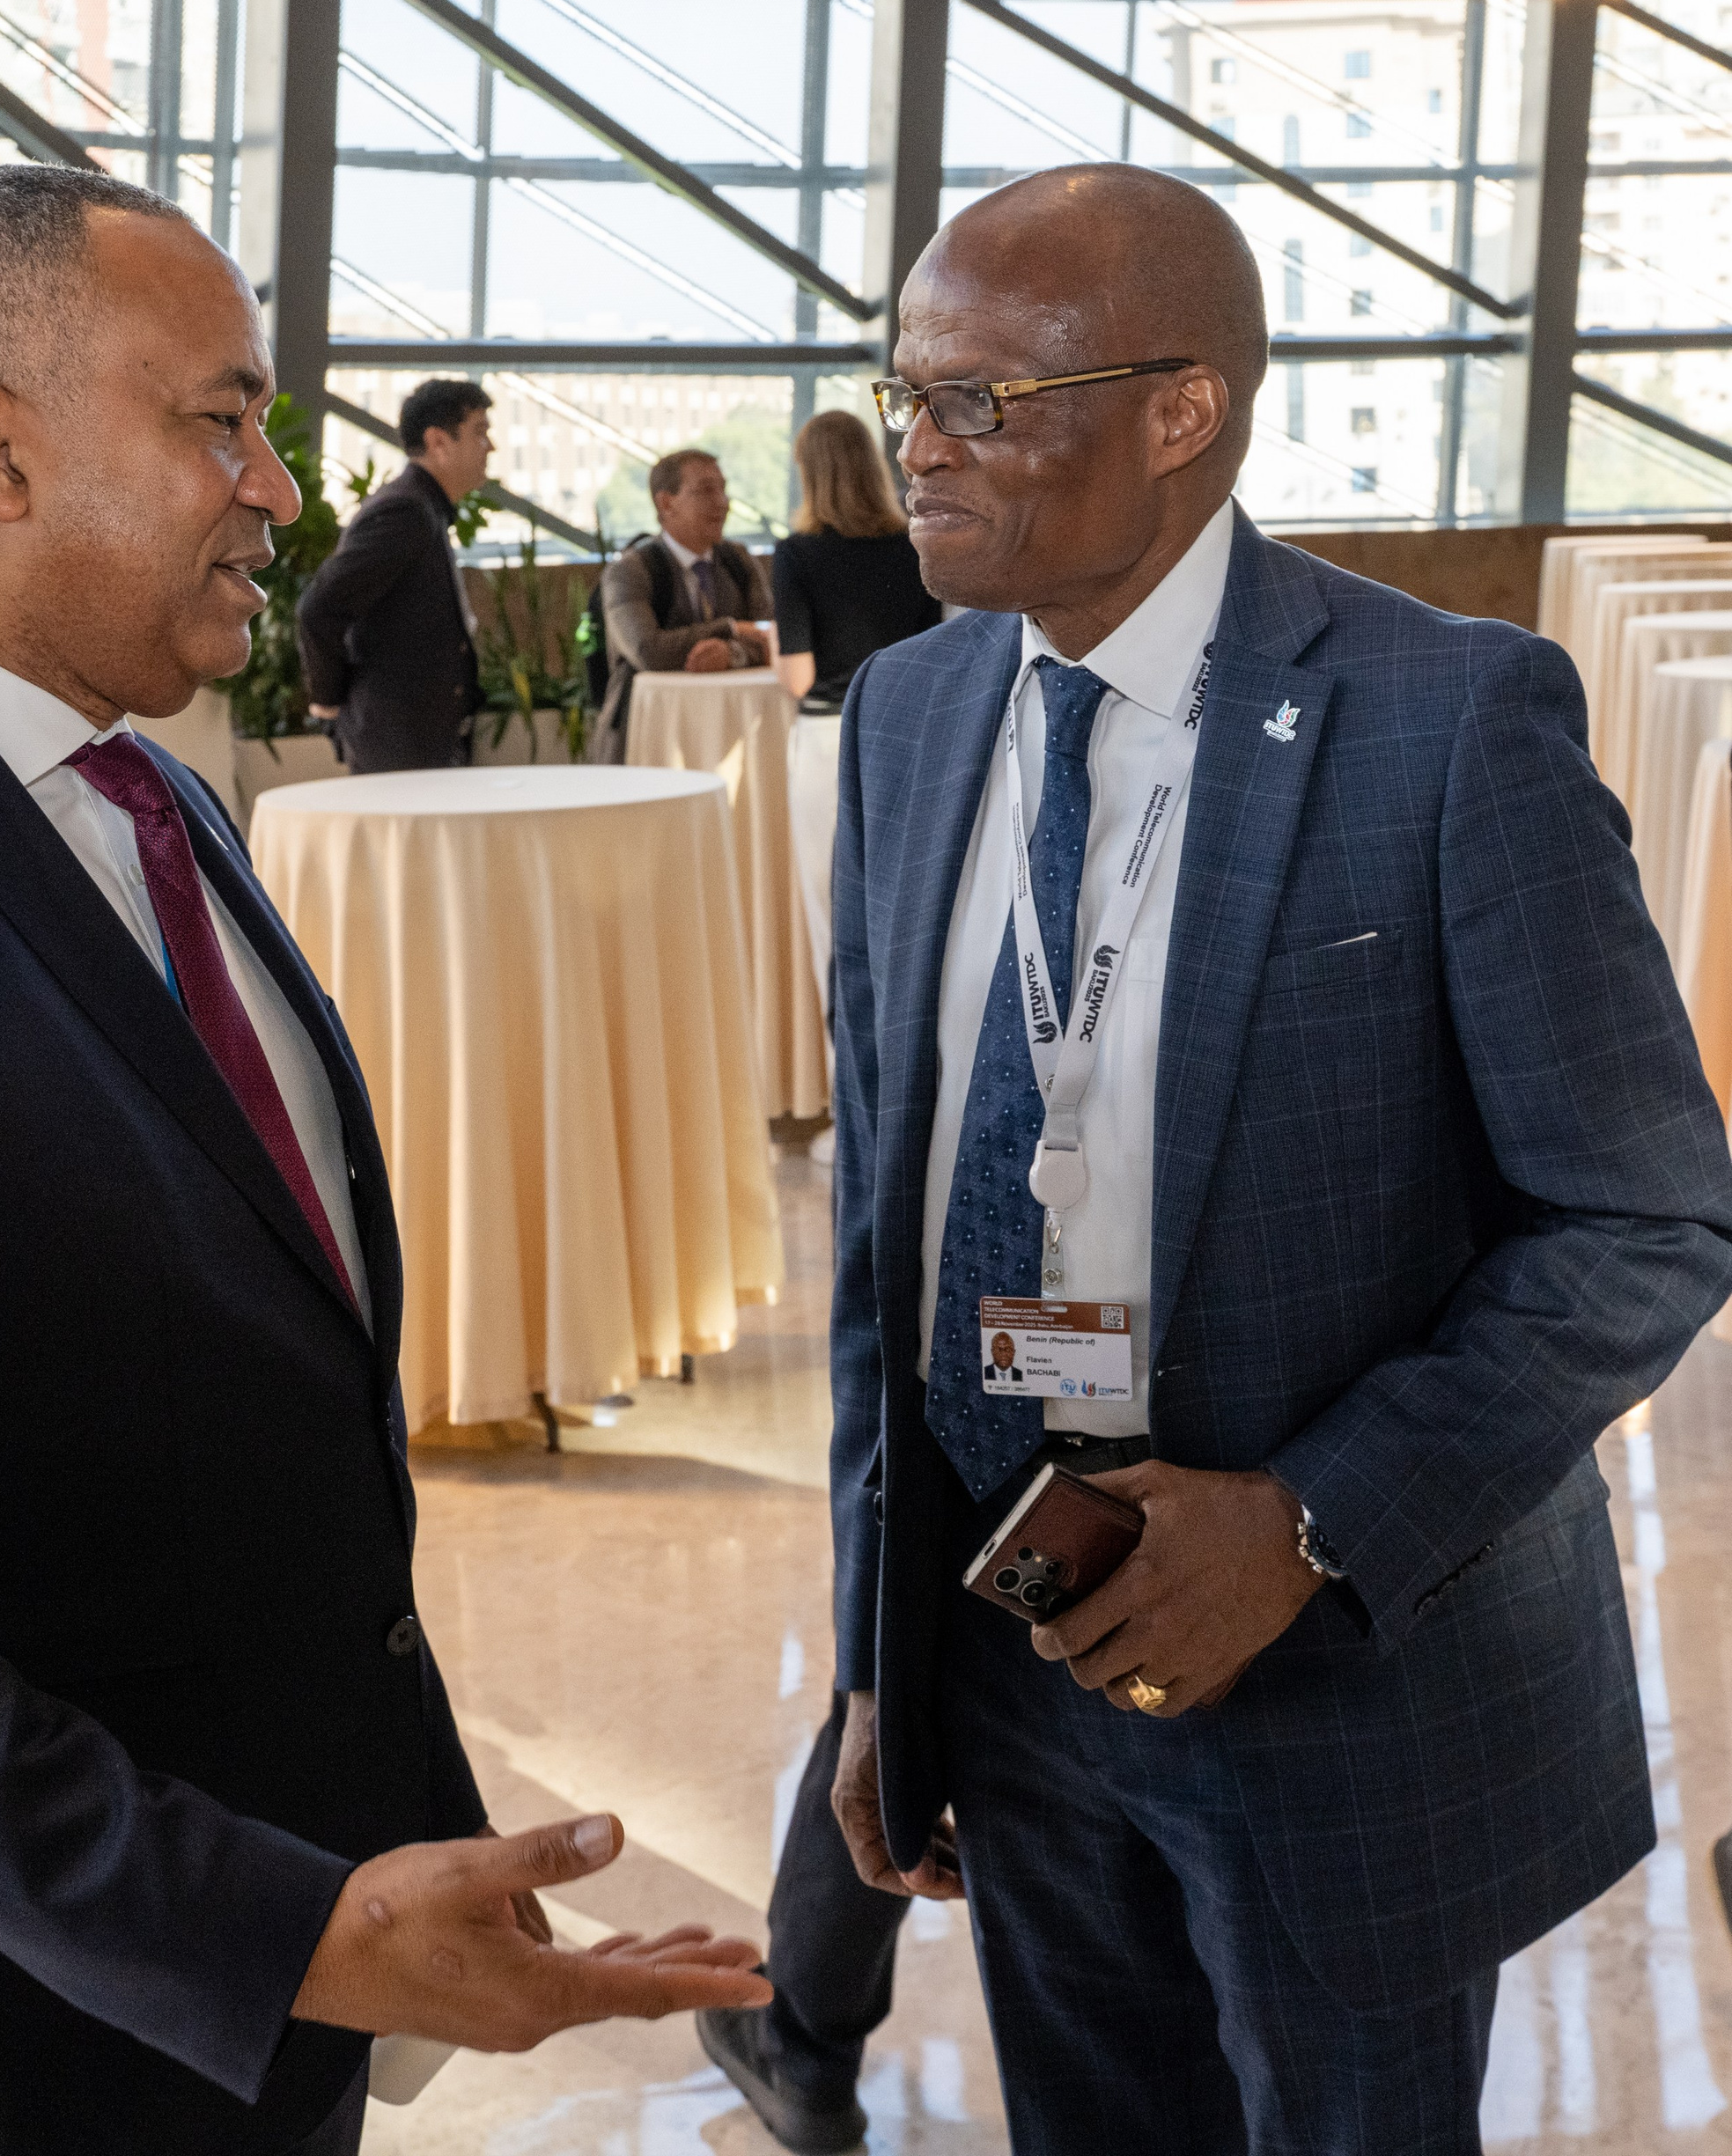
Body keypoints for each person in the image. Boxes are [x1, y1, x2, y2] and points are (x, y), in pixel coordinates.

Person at [0, 164, 766, 2156]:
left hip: (236, 2030)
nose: (279, 489)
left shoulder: (151, 805)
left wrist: (367, 1860)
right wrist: (278, 1925)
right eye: (218, 420)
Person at [821, 163, 1732, 2155]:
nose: (918, 447)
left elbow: (1644, 1214)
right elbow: (877, 1251)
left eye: (981, 398)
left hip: (1341, 1695)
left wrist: (1304, 1521)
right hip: (1008, 1661)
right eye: (904, 391)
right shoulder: (900, 717)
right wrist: (880, 1659)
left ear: (1179, 413)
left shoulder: (1443, 721)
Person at [772, 409, 940, 1113]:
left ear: (807, 471)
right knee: (913, 910)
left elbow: (801, 677)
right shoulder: (912, 546)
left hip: (828, 741)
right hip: (915, 735)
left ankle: (856, 1103)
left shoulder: (797, 553)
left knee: (833, 918)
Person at [296, 379, 490, 773]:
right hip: (397, 743)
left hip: (410, 741)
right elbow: (320, 607)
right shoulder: (406, 510)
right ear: (438, 441)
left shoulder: (423, 507)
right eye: (480, 432)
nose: (491, 447)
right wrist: (330, 703)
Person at [593, 450, 771, 762]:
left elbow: (772, 638)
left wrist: (731, 654)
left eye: (723, 488)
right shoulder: (629, 571)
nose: (722, 502)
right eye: (705, 491)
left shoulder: (739, 562)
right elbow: (649, 651)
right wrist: (730, 629)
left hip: (734, 735)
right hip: (647, 738)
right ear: (666, 503)